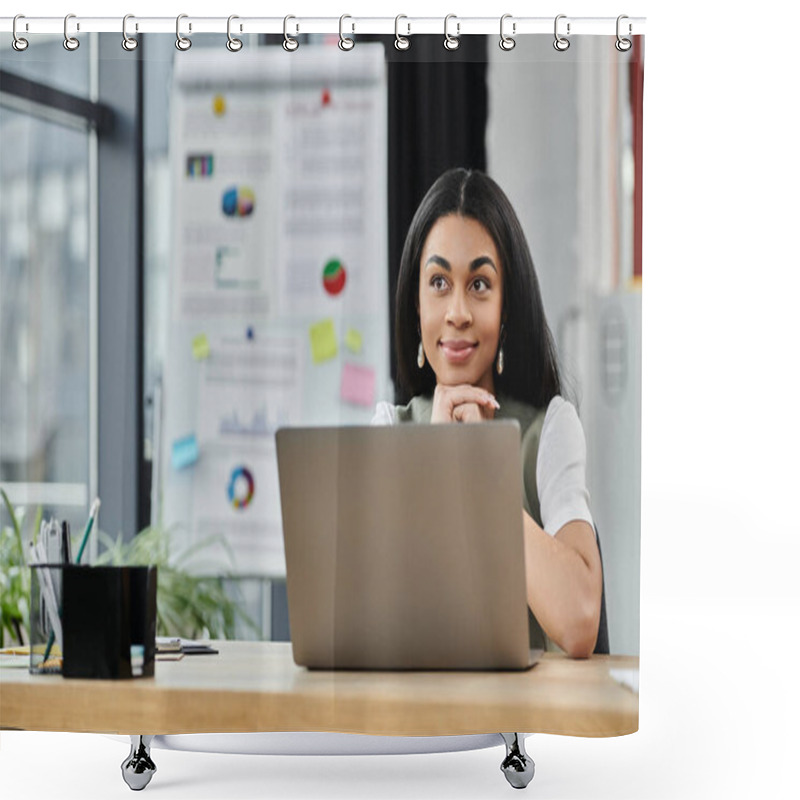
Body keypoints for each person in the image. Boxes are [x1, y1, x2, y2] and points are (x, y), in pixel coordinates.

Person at [373, 168, 602, 658]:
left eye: (479, 284)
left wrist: (484, 475)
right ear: (416, 307)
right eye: (438, 282)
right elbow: (372, 627)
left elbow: (580, 622)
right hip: (414, 731)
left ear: (505, 307)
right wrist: (434, 461)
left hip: (520, 732)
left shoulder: (551, 431)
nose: (457, 310)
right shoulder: (388, 432)